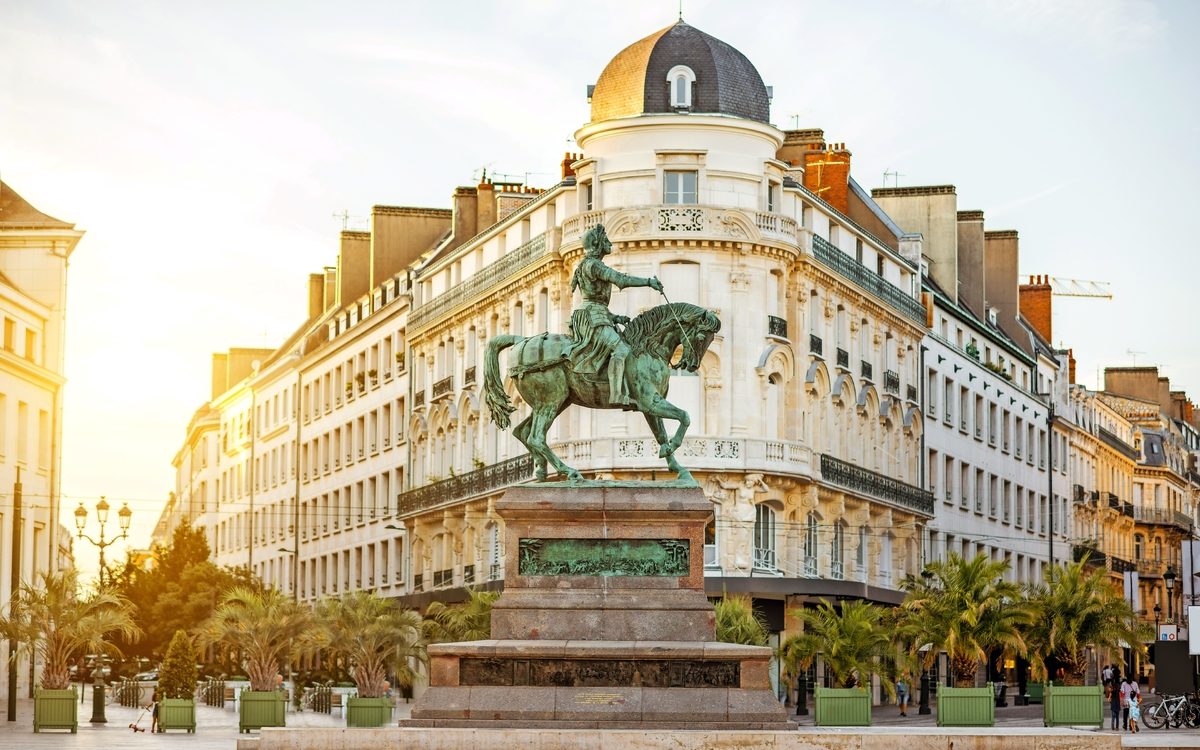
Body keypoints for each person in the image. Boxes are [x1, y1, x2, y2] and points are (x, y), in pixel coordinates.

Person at [566, 224, 663, 406]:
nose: (609, 243)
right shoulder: (594, 266)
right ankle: (616, 395)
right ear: (597, 244)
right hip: (591, 317)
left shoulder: (585, 265)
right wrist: (649, 282)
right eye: (605, 240)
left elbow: (594, 297)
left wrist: (614, 317)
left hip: (594, 314)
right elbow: (622, 280)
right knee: (621, 350)